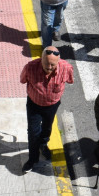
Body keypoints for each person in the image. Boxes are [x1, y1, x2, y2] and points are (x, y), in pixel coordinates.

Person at [19, 45, 75, 173]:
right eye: (46, 64)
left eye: (52, 65)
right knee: (33, 133)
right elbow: (22, 80)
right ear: (41, 59)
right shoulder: (30, 67)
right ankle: (33, 159)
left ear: (58, 62)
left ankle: (43, 145)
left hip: (52, 105)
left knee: (47, 128)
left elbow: (70, 80)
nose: (49, 68)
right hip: (34, 105)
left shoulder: (66, 68)